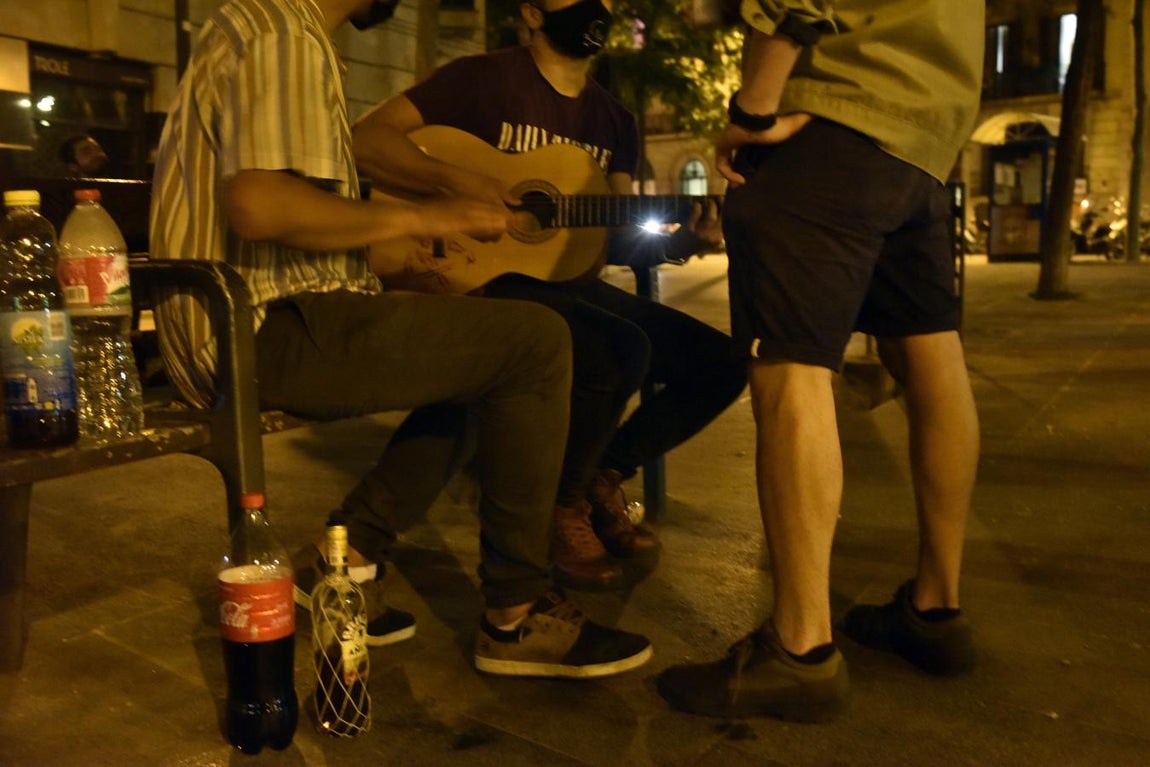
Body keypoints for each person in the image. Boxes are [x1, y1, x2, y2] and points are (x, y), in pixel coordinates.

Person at [149, 0, 652, 680]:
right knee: (535, 342)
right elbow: (261, 205)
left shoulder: (279, 30)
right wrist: (426, 210)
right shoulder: (280, 34)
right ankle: (515, 611)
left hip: (262, 314)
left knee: (494, 340)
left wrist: (408, 260)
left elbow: (300, 225)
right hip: (253, 331)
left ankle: (349, 555)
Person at [656, 0, 984, 720]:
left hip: (832, 117)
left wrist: (755, 107)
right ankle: (937, 609)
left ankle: (800, 649)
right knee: (931, 357)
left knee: (791, 371)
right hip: (926, 132)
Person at [351, 0, 746, 591]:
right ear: (533, 12)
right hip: (474, 278)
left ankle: (599, 477)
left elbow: (606, 242)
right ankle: (560, 507)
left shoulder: (615, 121)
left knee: (723, 364)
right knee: (616, 349)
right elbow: (367, 141)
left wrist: (683, 241)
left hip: (563, 286)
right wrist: (466, 185)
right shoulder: (481, 81)